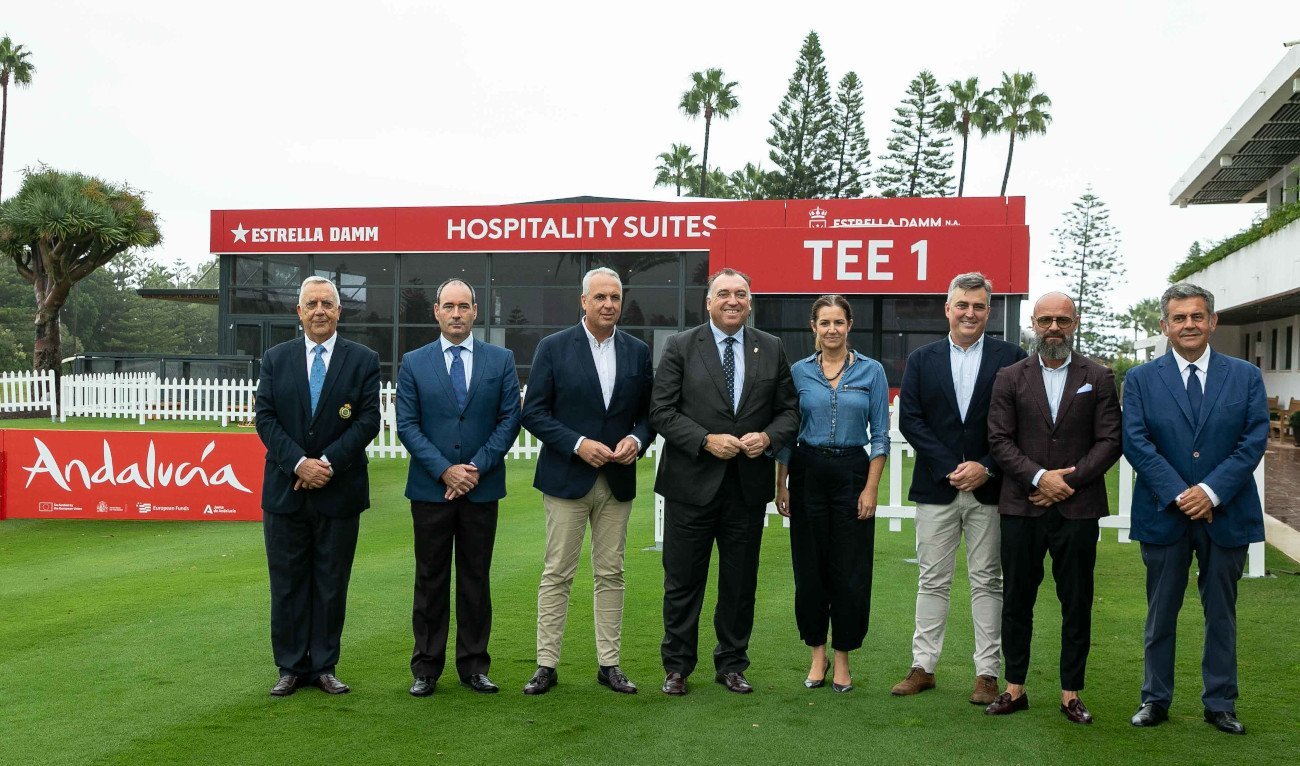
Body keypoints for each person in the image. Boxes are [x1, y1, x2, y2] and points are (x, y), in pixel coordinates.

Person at [1123, 283, 1267, 735]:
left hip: (1227, 514)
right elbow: (1137, 442)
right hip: (1164, 514)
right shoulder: (1142, 379)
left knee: (1222, 614)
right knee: (1160, 613)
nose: (1189, 324)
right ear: (1164, 325)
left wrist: (1210, 492)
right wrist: (1182, 494)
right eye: (1179, 318)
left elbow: (1253, 441)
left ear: (1213, 321)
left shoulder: (1245, 376)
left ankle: (1221, 702)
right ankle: (1155, 698)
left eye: (1197, 316)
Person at [650, 267, 799, 696]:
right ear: (708, 302)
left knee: (739, 583)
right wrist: (704, 440)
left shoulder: (771, 347)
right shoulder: (681, 346)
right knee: (682, 582)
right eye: (723, 294)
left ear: (750, 302)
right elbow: (661, 410)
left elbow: (790, 410)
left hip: (746, 488)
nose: (732, 301)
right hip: (689, 485)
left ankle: (732, 664)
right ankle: (677, 667)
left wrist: (768, 437)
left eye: (740, 294)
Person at [985, 292, 1122, 723]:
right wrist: (1040, 478)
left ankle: (1070, 693)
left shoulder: (1097, 376)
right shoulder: (1009, 376)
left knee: (1076, 601)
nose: (1054, 328)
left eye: (1062, 319)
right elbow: (999, 440)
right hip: (1021, 506)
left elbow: (1110, 440)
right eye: (1045, 320)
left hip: (1077, 509)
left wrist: (1067, 480)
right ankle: (1014, 688)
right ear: (1033, 322)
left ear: (1075, 321)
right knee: (1016, 599)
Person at [891, 272, 1026, 704]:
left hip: (991, 487)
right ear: (947, 308)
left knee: (988, 580)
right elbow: (910, 419)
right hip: (937, 486)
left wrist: (985, 467)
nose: (970, 313)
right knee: (932, 580)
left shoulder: (1012, 357)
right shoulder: (922, 358)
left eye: (979, 306)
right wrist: (954, 467)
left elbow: (1020, 424)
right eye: (962, 305)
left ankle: (987, 673)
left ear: (989, 311)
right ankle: (923, 666)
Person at [519, 267, 654, 696]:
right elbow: (534, 412)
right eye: (600, 297)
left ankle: (609, 664)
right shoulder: (553, 347)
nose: (608, 305)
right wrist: (578, 444)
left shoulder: (637, 351)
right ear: (583, 301)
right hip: (566, 478)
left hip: (616, 479)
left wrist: (636, 437)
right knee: (557, 572)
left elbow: (650, 414)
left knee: (611, 573)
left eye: (614, 297)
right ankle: (546, 665)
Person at [254, 275, 381, 697]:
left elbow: (367, 421)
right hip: (285, 491)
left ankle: (324, 665)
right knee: (287, 583)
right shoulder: (275, 358)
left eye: (328, 303)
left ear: (339, 311)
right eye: (312, 304)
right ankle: (290, 667)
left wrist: (325, 463)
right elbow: (265, 419)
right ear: (299, 312)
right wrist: (298, 463)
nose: (320, 311)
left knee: (331, 583)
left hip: (338, 490)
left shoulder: (362, 359)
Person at [396, 278, 522, 697]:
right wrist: (446, 471)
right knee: (430, 580)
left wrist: (474, 469)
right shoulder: (414, 361)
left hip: (481, 490)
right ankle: (426, 668)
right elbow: (407, 425)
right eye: (448, 306)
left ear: (475, 311)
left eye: (463, 306)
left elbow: (509, 421)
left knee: (475, 579)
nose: (456, 314)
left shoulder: (500, 360)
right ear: (436, 311)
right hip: (431, 491)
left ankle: (473, 665)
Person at [774, 295, 888, 693]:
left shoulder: (872, 372)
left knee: (850, 571)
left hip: (853, 474)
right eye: (825, 323)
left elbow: (881, 437)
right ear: (814, 328)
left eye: (839, 322)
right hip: (807, 473)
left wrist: (870, 488)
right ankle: (817, 657)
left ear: (849, 326)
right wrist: (781, 483)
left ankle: (843, 660)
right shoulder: (798, 373)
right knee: (810, 570)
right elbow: (788, 432)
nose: (832, 330)